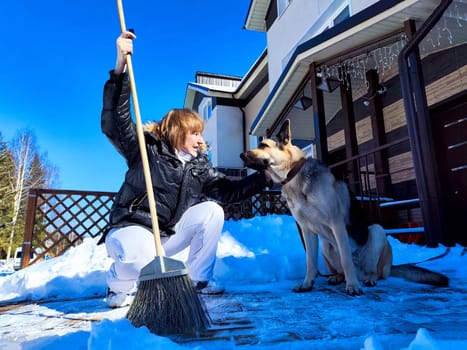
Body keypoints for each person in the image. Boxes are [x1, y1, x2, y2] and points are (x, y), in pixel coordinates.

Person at [98, 31, 272, 308]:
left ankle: (199, 280)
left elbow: (229, 192)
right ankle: (117, 285)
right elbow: (114, 122)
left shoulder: (198, 166)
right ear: (178, 131)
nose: (202, 140)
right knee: (137, 264)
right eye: (196, 134)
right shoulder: (145, 148)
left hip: (167, 235)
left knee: (212, 210)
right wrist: (120, 66)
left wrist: (266, 177)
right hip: (131, 228)